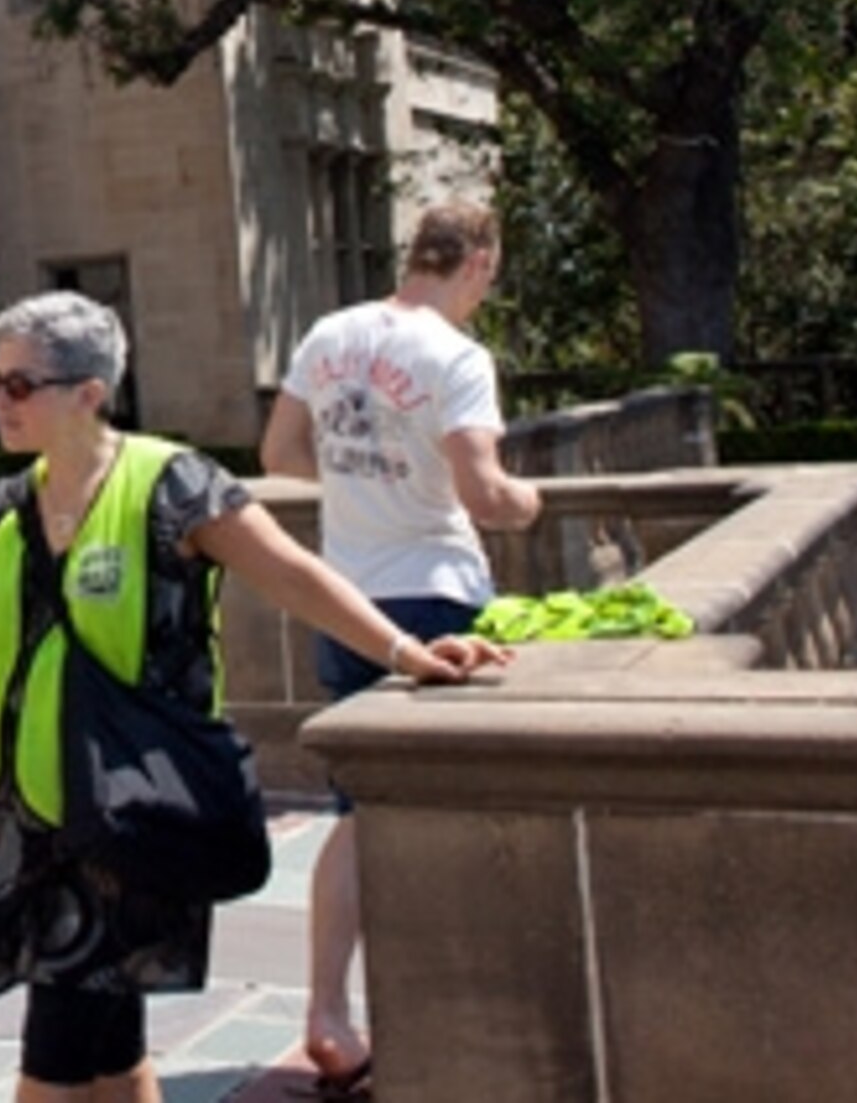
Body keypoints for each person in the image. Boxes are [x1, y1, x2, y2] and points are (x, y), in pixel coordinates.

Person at [0, 290, 508, 1103]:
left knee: (58, 1048)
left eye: (20, 384)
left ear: (89, 392)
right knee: (107, 1038)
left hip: (125, 802)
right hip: (27, 810)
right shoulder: (1, 510)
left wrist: (406, 650)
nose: (1, 400)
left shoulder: (172, 485)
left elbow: (292, 573)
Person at [260, 200, 545, 1093]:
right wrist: (531, 502)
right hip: (438, 596)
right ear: (478, 264)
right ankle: (453, 1006)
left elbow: (280, 451)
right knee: (454, 805)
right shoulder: (456, 357)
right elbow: (486, 491)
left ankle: (327, 1009)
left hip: (347, 597)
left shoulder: (329, 334)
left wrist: (358, 482)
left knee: (355, 810)